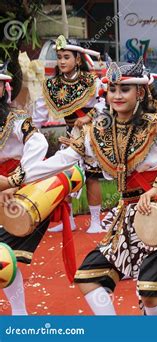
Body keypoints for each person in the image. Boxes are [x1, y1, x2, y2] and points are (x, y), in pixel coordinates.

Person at [13, 58, 157, 315]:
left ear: (140, 92)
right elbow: (64, 159)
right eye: (112, 89)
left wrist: (156, 187)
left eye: (125, 89)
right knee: (89, 277)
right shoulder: (98, 129)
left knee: (149, 293)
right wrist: (18, 178)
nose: (117, 95)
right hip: (128, 213)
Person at [33, 35, 105, 234]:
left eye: (66, 57)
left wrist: (89, 117)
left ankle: (96, 221)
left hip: (88, 134)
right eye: (59, 57)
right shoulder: (52, 85)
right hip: (68, 134)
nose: (62, 61)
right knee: (64, 174)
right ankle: (68, 220)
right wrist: (31, 134)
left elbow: (106, 103)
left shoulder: (92, 81)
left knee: (91, 176)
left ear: (78, 60)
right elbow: (39, 112)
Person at [0, 61, 50, 315]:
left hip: (14, 193)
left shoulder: (17, 119)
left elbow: (38, 143)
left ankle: (20, 313)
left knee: (2, 256)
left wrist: (16, 180)